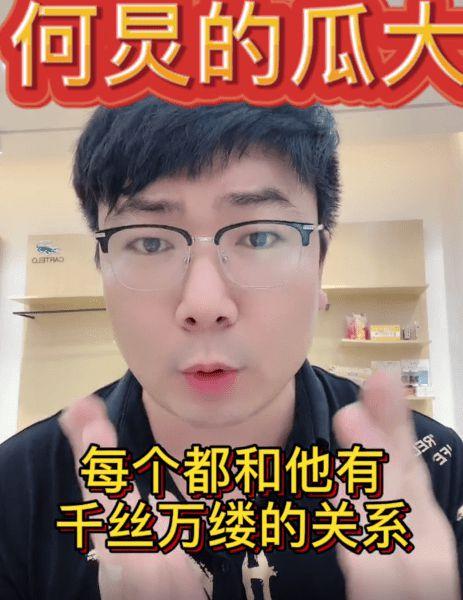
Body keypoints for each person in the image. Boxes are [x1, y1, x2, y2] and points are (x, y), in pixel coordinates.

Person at [0, 98, 461, 600]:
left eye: (259, 237)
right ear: (102, 269)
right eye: (150, 243)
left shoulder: (435, 479)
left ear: (320, 264)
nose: (203, 304)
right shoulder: (19, 490)